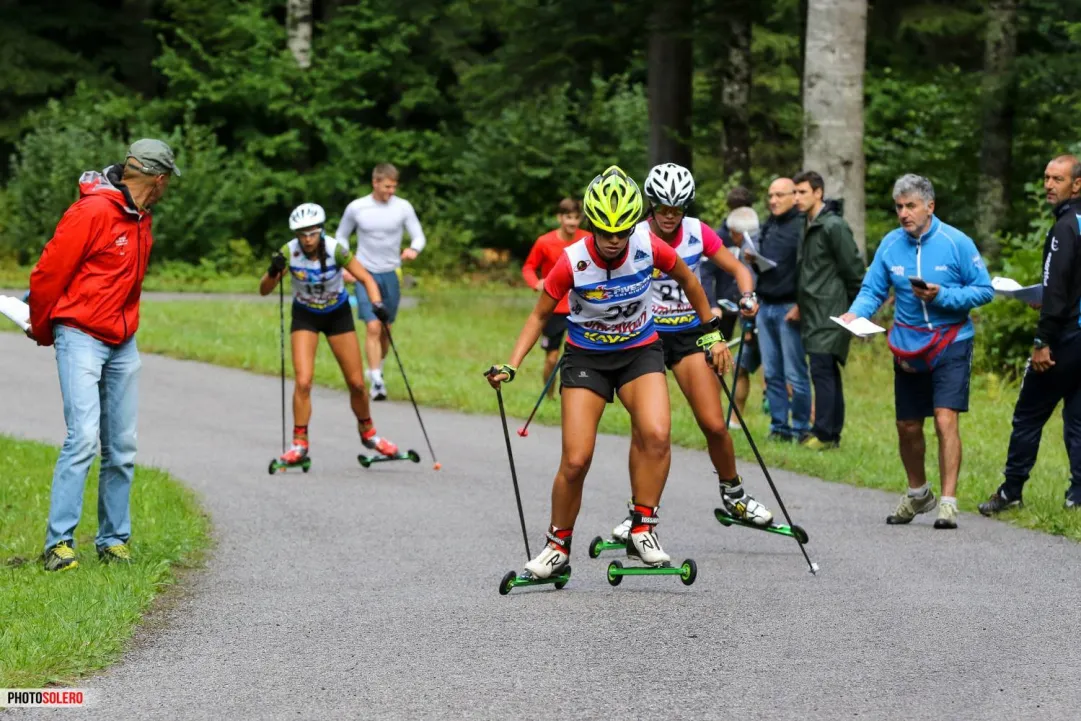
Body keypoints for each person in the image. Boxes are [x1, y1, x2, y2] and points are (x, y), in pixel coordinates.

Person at [485, 166, 730, 579]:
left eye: (622, 232)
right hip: (587, 359)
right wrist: (512, 364)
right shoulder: (572, 262)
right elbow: (538, 316)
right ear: (593, 226)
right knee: (577, 459)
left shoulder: (648, 246)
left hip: (639, 351)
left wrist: (711, 333)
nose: (615, 241)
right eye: (606, 232)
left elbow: (690, 281)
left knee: (656, 433)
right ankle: (557, 547)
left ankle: (643, 528)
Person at [27, 139, 180, 571]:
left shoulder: (140, 217)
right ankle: (59, 544)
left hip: (122, 341)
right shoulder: (92, 211)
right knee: (82, 439)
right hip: (80, 335)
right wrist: (44, 328)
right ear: (159, 178)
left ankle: (113, 540)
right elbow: (48, 273)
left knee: (122, 447)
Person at [602, 163, 772, 544]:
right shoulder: (633, 234)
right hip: (644, 338)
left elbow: (739, 269)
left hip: (690, 334)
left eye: (676, 210)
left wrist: (747, 296)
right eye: (662, 209)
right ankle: (637, 513)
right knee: (645, 431)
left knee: (713, 423)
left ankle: (734, 494)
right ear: (650, 205)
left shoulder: (698, 232)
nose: (668, 217)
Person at [841, 174, 993, 529]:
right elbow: (872, 289)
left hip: (951, 341)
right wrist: (856, 313)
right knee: (908, 425)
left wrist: (943, 296)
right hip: (908, 345)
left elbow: (984, 290)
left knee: (944, 418)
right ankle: (918, 494)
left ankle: (949, 503)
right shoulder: (891, 245)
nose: (904, 213)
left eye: (911, 206)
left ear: (930, 206)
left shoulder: (956, 242)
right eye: (899, 207)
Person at [979, 155, 1081, 514]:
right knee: (1078, 418)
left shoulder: (1065, 228)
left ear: (1077, 184)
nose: (1049, 185)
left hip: (1065, 339)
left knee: (1028, 414)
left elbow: (1056, 289)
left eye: (1057, 179)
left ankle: (1011, 491)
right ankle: (1077, 498)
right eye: (1046, 178)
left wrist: (1042, 341)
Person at [261, 204, 399, 467]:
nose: (307, 239)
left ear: (321, 231)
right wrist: (272, 270)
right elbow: (264, 290)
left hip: (338, 315)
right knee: (303, 381)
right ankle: (299, 444)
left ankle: (369, 434)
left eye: (312, 233)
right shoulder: (289, 252)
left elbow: (366, 279)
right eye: (302, 234)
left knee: (357, 384)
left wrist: (377, 303)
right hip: (305, 316)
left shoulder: (336, 250)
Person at [335, 163, 426, 400]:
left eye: (394, 187)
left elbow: (418, 235)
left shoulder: (403, 207)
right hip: (365, 273)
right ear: (375, 182)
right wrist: (348, 264)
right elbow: (341, 236)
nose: (391, 191)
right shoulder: (357, 207)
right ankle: (376, 381)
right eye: (387, 186)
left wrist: (413, 249)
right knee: (372, 326)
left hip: (391, 272)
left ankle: (378, 367)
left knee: (386, 329)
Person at [793, 170, 865, 450]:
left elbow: (854, 270)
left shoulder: (834, 226)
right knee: (825, 370)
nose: (797, 198)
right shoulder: (807, 223)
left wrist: (859, 310)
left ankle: (823, 434)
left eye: (802, 192)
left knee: (823, 368)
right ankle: (829, 433)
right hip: (812, 310)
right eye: (795, 193)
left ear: (818, 193)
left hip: (832, 310)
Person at [756, 177, 811, 442]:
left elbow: (809, 269)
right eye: (770, 195)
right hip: (765, 305)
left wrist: (802, 304)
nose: (773, 201)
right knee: (771, 372)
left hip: (790, 307)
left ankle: (801, 427)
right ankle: (779, 427)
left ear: (794, 197)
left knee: (795, 373)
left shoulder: (802, 226)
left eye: (779, 195)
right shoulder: (769, 224)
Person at [521, 198, 590, 397]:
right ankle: (549, 395)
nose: (573, 222)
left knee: (580, 357)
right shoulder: (544, 242)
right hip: (554, 310)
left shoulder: (586, 240)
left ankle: (575, 395)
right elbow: (528, 267)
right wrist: (536, 283)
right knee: (552, 358)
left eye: (577, 218)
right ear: (559, 218)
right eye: (568, 217)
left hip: (581, 307)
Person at [699, 185, 754, 341]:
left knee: (751, 346)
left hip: (750, 301)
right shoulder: (718, 237)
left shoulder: (757, 234)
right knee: (720, 348)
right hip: (725, 305)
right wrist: (712, 305)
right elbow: (705, 274)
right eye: (735, 210)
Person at [725, 206, 765, 423]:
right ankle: (734, 419)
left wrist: (748, 328)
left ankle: (735, 420)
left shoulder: (748, 251)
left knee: (781, 376)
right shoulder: (761, 243)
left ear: (737, 233)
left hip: (758, 324)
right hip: (761, 322)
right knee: (740, 367)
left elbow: (750, 294)